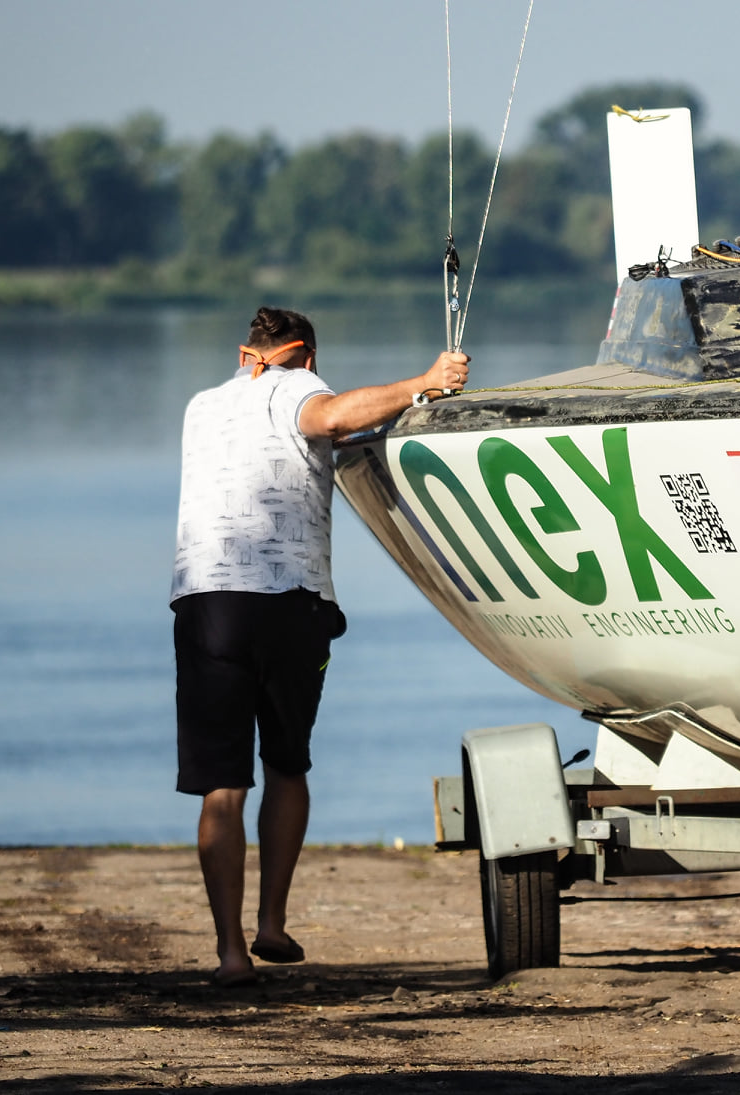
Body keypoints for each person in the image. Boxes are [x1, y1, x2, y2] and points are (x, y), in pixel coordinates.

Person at [172, 306, 469, 987]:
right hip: (285, 602)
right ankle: (270, 922)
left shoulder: (202, 407)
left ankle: (229, 952)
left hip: (203, 602)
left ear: (245, 351)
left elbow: (321, 429)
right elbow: (331, 418)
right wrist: (425, 382)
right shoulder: (297, 388)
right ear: (302, 355)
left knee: (222, 786)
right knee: (286, 765)